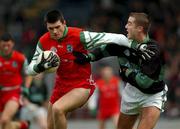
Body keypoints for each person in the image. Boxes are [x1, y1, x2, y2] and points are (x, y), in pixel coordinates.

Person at [26, 9, 154, 129]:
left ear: (64, 23)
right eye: (51, 29)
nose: (54, 32)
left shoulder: (79, 36)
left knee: (57, 109)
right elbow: (29, 70)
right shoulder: (44, 41)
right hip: (60, 87)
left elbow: (115, 38)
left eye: (57, 27)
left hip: (81, 86)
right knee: (50, 126)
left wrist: (140, 46)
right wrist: (39, 67)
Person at [73, 12, 168, 129]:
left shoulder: (153, 50)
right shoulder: (124, 42)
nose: (126, 26)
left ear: (139, 28)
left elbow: (145, 83)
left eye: (129, 24)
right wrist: (89, 57)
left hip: (153, 95)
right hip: (131, 92)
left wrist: (126, 71)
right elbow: (104, 50)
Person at [0, 33, 32, 129]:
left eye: (8, 45)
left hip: (14, 93)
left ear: (13, 44)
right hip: (1, 93)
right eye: (3, 45)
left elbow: (29, 74)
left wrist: (26, 88)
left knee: (4, 120)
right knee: (5, 125)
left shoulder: (20, 58)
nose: (6, 48)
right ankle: (22, 125)